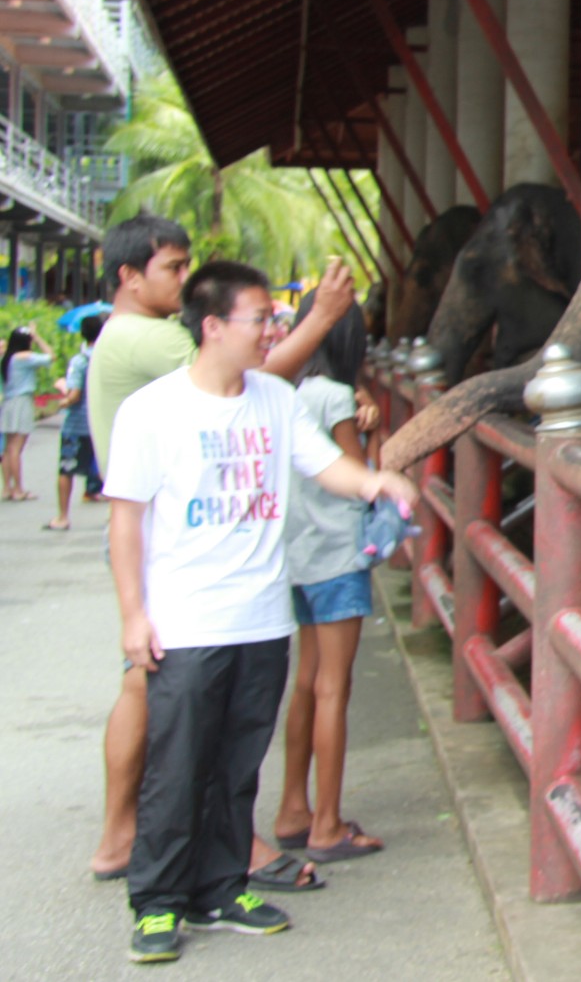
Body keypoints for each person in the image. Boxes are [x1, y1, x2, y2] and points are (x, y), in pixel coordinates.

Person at [107, 260, 417, 964]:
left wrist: (374, 479)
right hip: (186, 618)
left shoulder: (276, 400)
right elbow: (125, 521)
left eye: (276, 319)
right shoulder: (154, 410)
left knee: (238, 760)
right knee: (177, 762)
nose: (272, 331)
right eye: (262, 320)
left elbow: (322, 465)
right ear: (213, 326)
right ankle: (157, 900)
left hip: (261, 615)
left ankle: (220, 885)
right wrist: (134, 615)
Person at [88, 214, 356, 890]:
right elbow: (248, 373)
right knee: (179, 729)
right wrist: (319, 319)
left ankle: (155, 846)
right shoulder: (149, 341)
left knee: (184, 716)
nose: (183, 282)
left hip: (197, 569)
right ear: (128, 276)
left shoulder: (139, 338)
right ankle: (163, 870)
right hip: (174, 567)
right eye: (173, 268)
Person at [270, 291, 384, 863]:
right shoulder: (337, 396)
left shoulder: (288, 394)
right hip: (337, 556)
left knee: (308, 683)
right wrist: (374, 431)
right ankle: (327, 824)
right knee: (335, 689)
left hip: (298, 557)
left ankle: (294, 806)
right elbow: (357, 474)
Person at [47, 311, 105, 531]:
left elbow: (74, 396)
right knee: (106, 469)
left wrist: (62, 391)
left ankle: (62, 516)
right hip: (101, 422)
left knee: (66, 469)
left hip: (77, 424)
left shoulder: (80, 361)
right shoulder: (107, 358)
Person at [1, 322, 54, 500]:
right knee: (16, 448)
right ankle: (19, 489)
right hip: (22, 402)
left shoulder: (7, 358)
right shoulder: (24, 357)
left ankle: (7, 488)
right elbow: (50, 357)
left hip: (8, 403)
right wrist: (37, 337)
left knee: (8, 448)